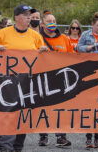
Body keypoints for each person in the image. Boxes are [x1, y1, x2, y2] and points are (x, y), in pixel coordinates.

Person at [0, 4, 47, 152]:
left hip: (28, 83)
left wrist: (44, 52)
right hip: (7, 82)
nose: (29, 17)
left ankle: (17, 147)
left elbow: (44, 59)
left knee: (23, 116)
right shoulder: (3, 33)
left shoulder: (36, 36)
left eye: (30, 14)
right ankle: (5, 147)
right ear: (16, 17)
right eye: (25, 14)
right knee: (8, 114)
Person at [38, 11, 73, 148]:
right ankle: (43, 136)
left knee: (61, 107)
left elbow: (72, 56)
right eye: (48, 21)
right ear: (43, 24)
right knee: (44, 108)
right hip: (43, 77)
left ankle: (61, 136)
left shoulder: (64, 38)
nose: (52, 23)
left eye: (54, 20)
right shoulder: (38, 38)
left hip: (61, 79)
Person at [77, 12, 98, 147]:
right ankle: (88, 137)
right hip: (88, 72)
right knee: (89, 106)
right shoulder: (85, 35)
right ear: (92, 25)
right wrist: (88, 48)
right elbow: (78, 48)